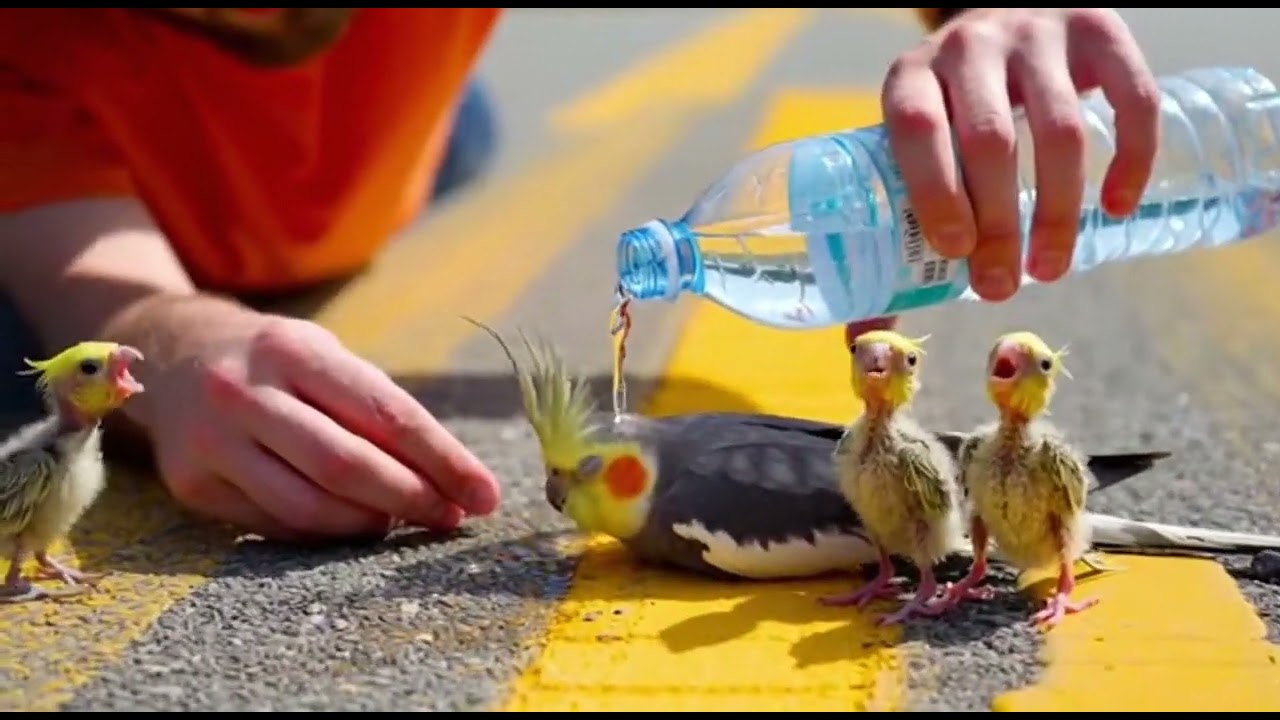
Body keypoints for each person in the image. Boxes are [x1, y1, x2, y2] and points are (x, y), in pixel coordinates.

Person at [0, 8, 1159, 543]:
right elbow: (114, 299)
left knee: (464, 140)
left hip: (423, 147)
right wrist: (179, 342)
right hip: (74, 229)